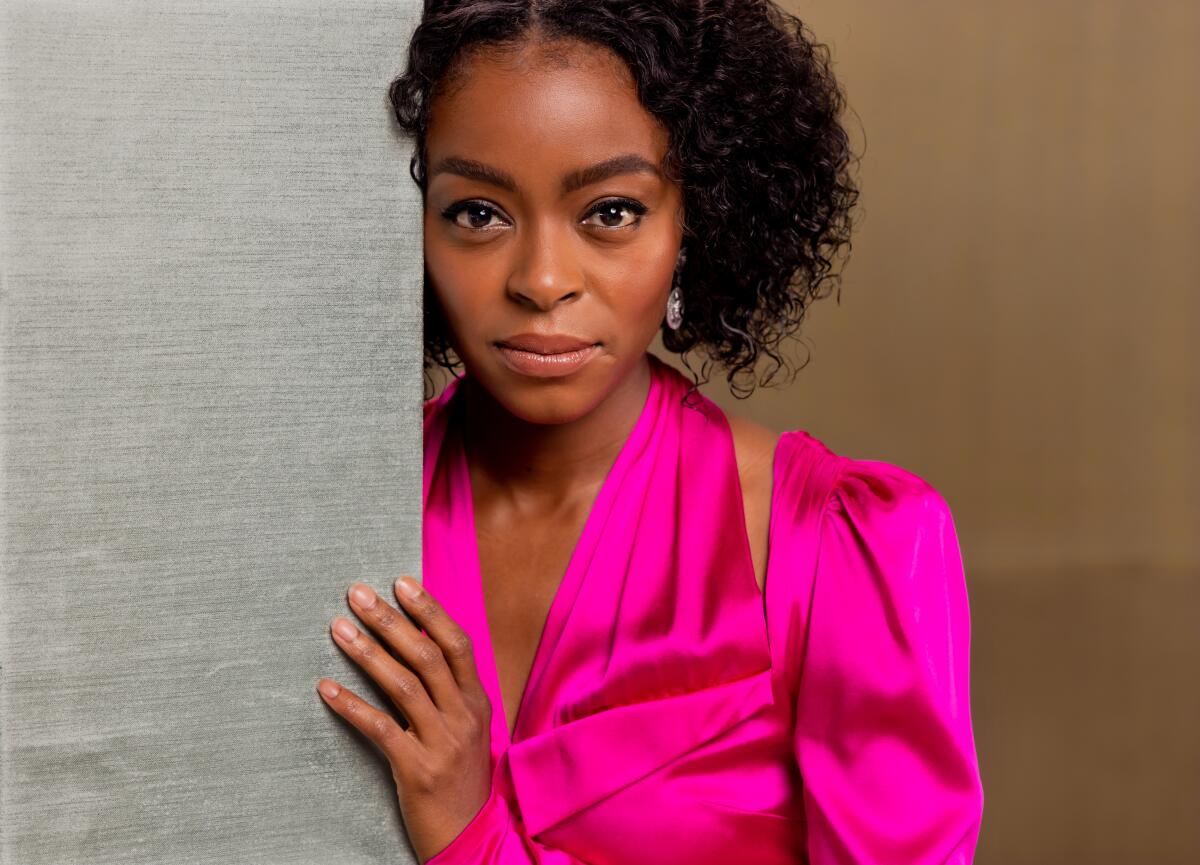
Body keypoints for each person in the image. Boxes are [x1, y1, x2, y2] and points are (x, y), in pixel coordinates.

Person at [315, 1, 984, 862]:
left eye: (612, 212)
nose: (542, 280)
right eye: (478, 213)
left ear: (693, 222)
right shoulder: (331, 519)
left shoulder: (833, 550)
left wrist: (471, 836)